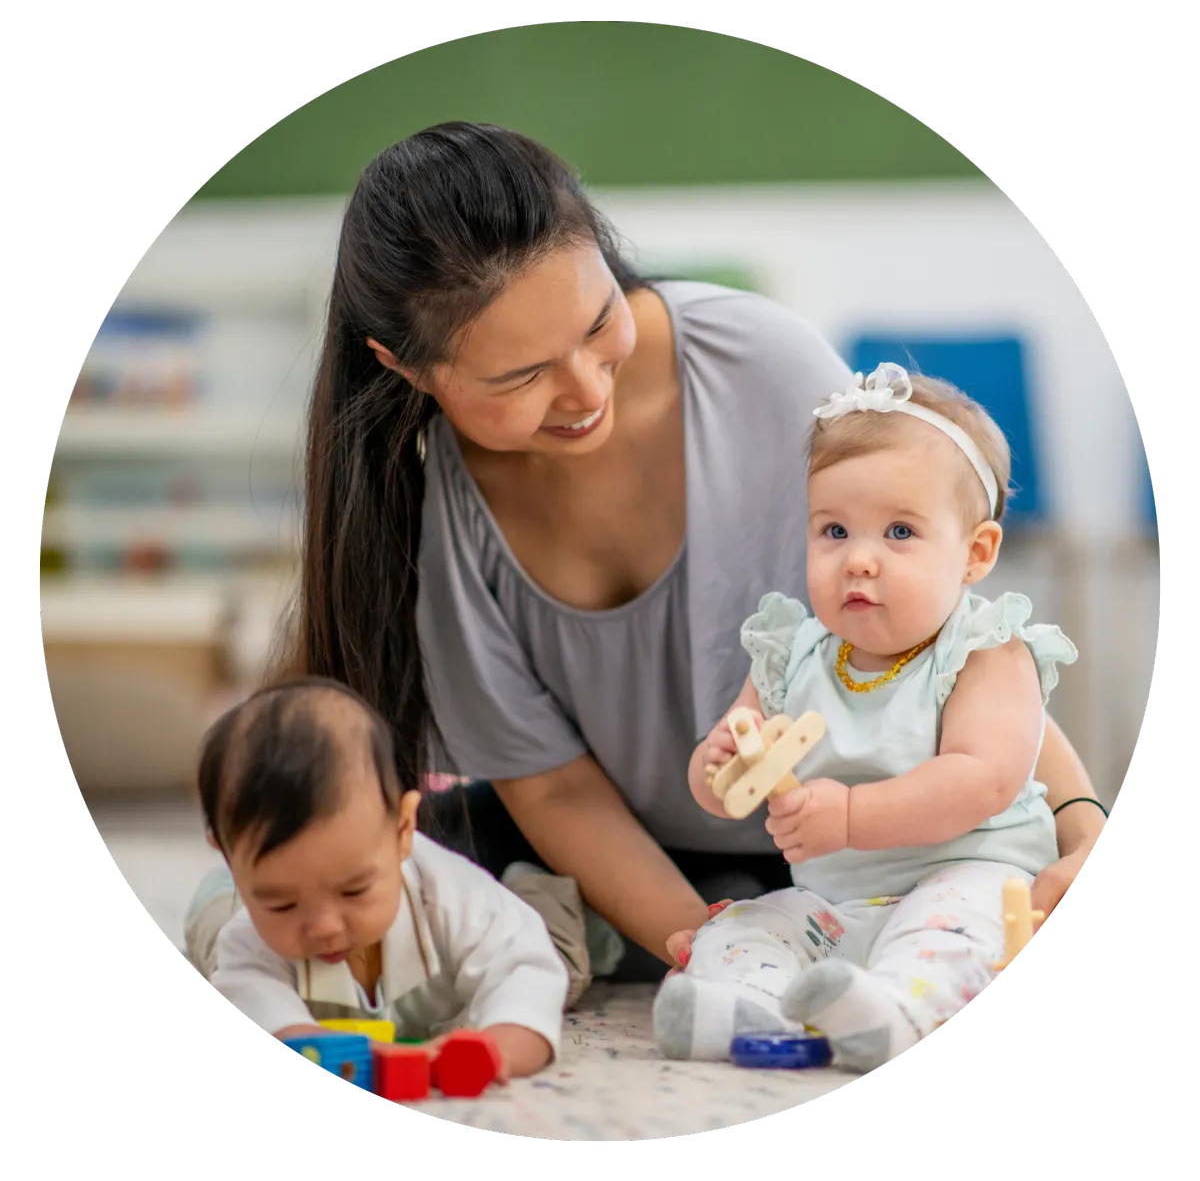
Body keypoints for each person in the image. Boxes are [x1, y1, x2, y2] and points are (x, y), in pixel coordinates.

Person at [183, 121, 1111, 1003]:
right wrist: (703, 939)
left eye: (597, 325)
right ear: (407, 367)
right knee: (262, 912)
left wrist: (1077, 821)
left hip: (870, 847)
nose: (588, 391)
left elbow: (950, 640)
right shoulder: (437, 516)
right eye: (518, 376)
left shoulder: (766, 368)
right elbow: (549, 784)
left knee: (930, 913)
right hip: (667, 861)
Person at [652, 362, 1076, 1073]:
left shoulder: (985, 650)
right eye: (835, 530)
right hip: (836, 903)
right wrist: (718, 764)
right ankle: (743, 1004)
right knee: (750, 922)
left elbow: (984, 779)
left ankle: (900, 1011)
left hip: (963, 877)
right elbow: (721, 786)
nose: (860, 561)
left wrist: (849, 817)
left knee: (951, 936)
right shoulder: (791, 653)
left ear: (975, 553)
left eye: (900, 532)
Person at [198, 675, 567, 1079]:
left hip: (501, 883)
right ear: (231, 860)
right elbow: (271, 1020)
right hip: (224, 903)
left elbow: (527, 970)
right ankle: (222, 888)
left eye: (354, 890)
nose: (325, 927)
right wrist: (359, 1054)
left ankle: (539, 888)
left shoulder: (450, 894)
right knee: (212, 928)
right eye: (282, 903)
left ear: (403, 831)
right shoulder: (248, 939)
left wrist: (497, 1049)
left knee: (562, 942)